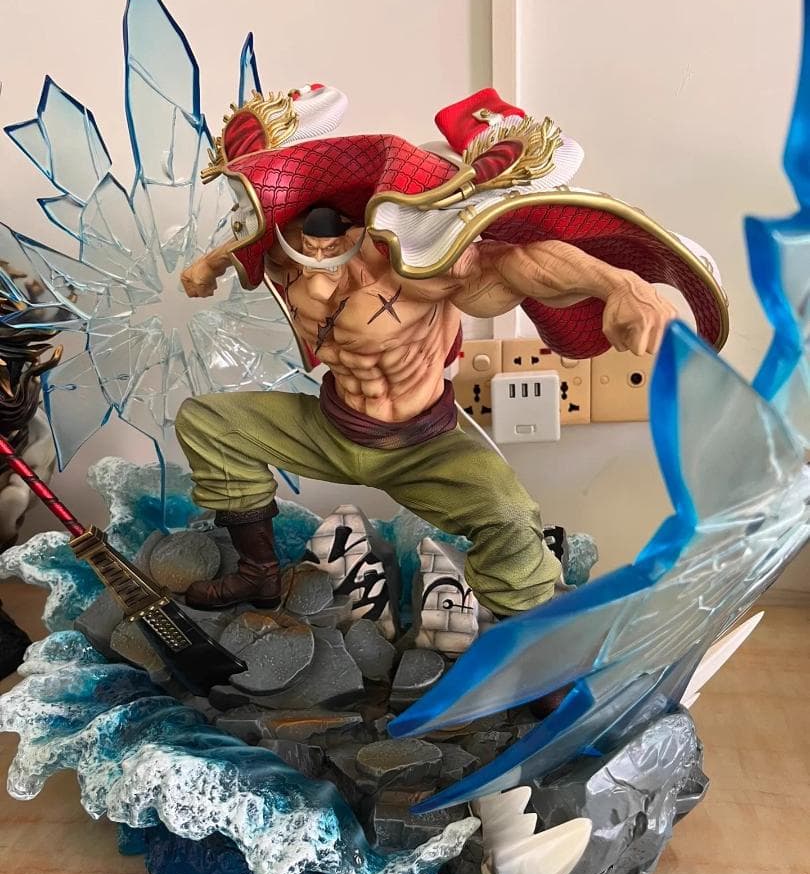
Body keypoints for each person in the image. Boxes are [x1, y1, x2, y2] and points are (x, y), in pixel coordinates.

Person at [175, 203, 677, 616]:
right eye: (305, 245)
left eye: (329, 247)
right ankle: (259, 574)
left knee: (510, 516)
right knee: (207, 423)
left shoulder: (418, 269)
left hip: (422, 447)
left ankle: (525, 644)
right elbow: (247, 236)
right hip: (331, 429)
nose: (315, 259)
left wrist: (622, 286)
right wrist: (209, 264)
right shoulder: (284, 255)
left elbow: (522, 262)